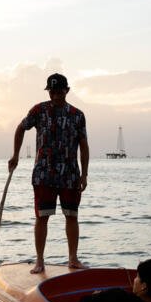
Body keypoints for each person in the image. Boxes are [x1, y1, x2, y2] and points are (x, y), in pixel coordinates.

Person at [8, 72, 90, 274]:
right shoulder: (39, 110)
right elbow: (20, 128)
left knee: (71, 215)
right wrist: (15, 155)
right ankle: (40, 261)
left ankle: (73, 258)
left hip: (70, 174)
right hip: (44, 174)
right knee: (42, 217)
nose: (55, 96)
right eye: (52, 92)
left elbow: (83, 145)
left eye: (59, 92)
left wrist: (84, 174)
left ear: (67, 91)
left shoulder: (77, 115)